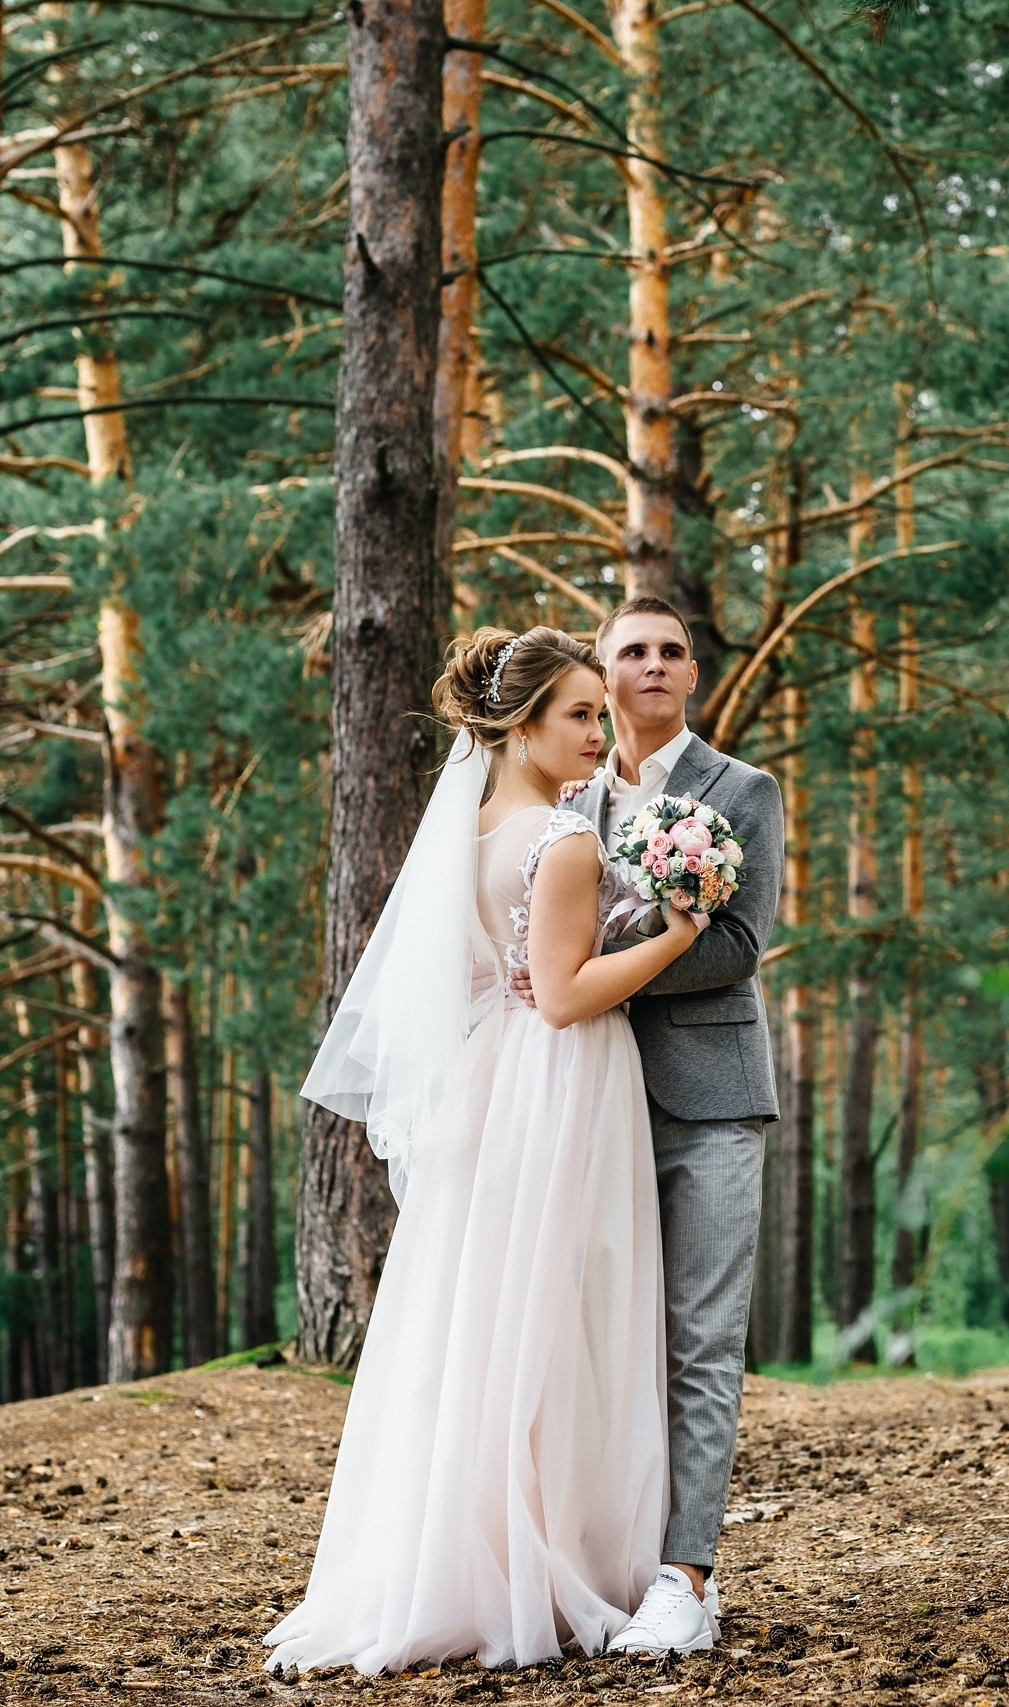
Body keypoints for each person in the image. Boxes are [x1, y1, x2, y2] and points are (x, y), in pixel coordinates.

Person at [262, 624, 715, 1675]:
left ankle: (482, 1555)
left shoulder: (472, 835)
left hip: (495, 1090)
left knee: (494, 1320)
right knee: (562, 1316)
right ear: (518, 727)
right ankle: (551, 1565)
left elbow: (504, 980)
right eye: (580, 715)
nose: (600, 731)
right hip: (560, 1087)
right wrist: (677, 934)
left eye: (599, 714)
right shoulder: (560, 841)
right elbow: (560, 997)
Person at [538, 595, 785, 1656]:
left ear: (693, 675)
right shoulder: (566, 796)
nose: (650, 665)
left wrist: (609, 963)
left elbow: (737, 943)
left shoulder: (743, 791)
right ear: (601, 674)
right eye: (629, 651)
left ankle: (686, 1575)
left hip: (714, 1098)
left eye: (668, 652)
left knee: (699, 1342)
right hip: (585, 1098)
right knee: (596, 1340)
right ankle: (602, 1565)